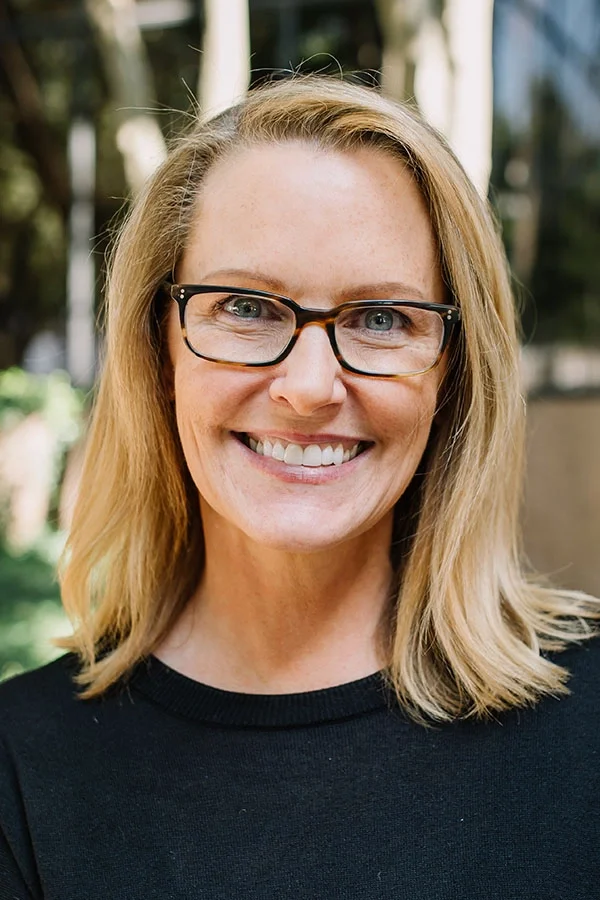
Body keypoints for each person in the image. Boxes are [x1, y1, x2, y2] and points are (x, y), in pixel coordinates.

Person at [1, 76, 598, 900]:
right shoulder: (23, 767)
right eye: (245, 305)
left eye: (382, 319)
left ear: (453, 373)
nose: (310, 386)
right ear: (159, 351)